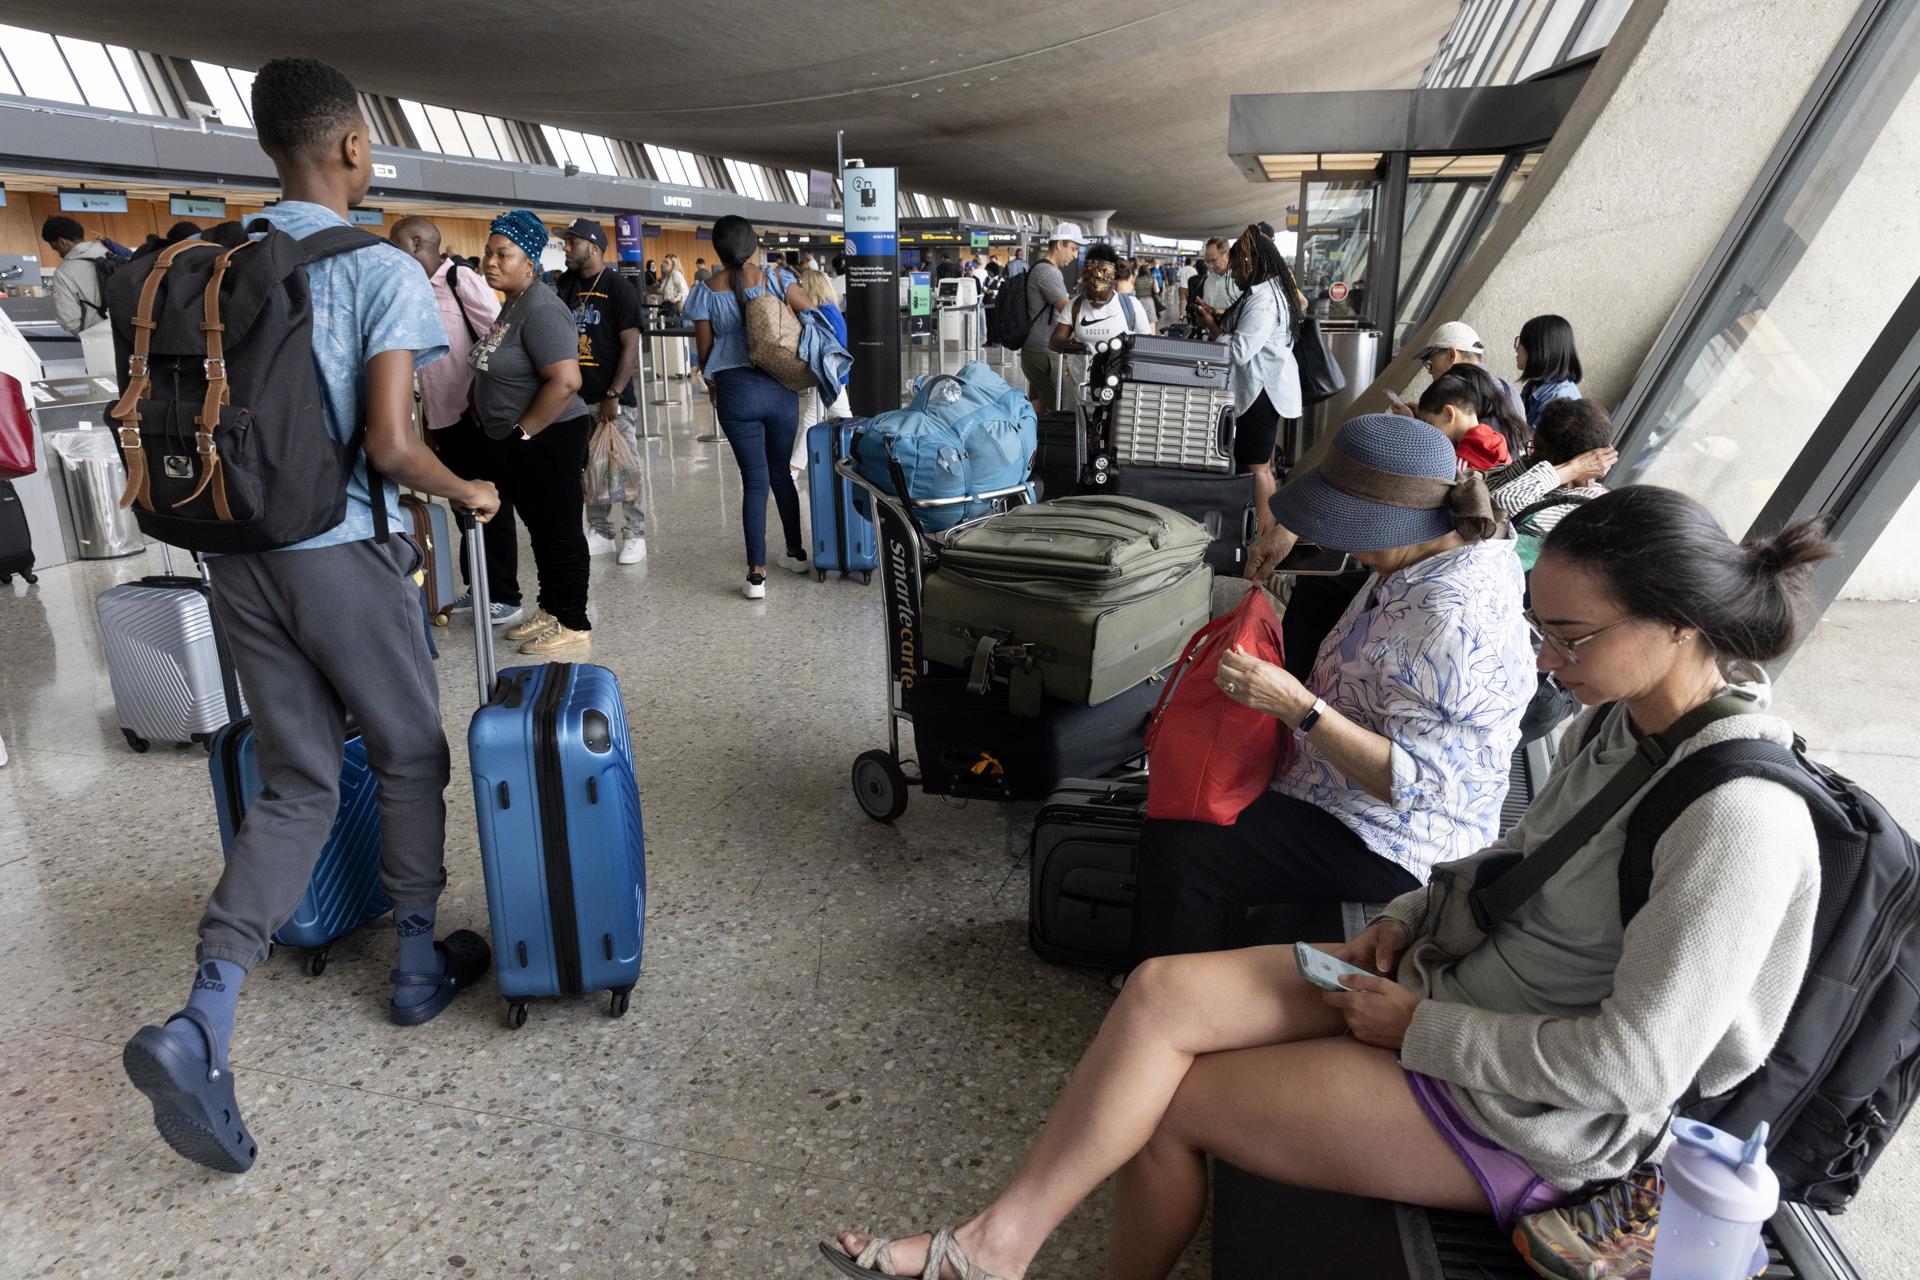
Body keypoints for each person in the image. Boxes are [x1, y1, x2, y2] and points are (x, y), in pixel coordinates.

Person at [821, 485, 1829, 1280]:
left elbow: (1630, 1072)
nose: (1546, 660)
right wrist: (1404, 917)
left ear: (1684, 624)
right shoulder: (1621, 717)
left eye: (1570, 638)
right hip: (1448, 979)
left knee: (1176, 1103)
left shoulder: (1741, 818)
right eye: (1542, 629)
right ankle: (993, 1245)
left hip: (1535, 1111)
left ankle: (1003, 1255)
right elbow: (1512, 858)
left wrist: (1415, 1030)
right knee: (1158, 989)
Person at [120, 56, 503, 1177]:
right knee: (407, 749)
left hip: (240, 555)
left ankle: (204, 1015)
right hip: (344, 555)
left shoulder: (219, 261)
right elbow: (389, 444)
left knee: (298, 778)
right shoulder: (377, 267)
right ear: (349, 148)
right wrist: (465, 488)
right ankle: (422, 963)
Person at [1131, 412, 1532, 961]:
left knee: (1182, 847)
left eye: (1350, 527)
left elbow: (1414, 786)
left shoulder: (1449, 620)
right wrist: (1290, 529)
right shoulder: (1452, 543)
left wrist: (1297, 707)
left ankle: (1173, 998)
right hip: (1339, 787)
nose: (1346, 544)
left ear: (1393, 525)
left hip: (1396, 837)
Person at [470, 208, 594, 654]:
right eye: (488, 253)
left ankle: (574, 620)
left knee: (559, 529)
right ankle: (551, 608)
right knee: (540, 529)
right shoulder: (515, 304)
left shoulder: (541, 308)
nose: (490, 262)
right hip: (523, 439)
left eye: (503, 254)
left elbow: (566, 381)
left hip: (549, 436)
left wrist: (523, 433)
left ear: (531, 261)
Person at [387, 214, 519, 625]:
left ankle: (505, 596)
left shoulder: (460, 280)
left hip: (473, 415)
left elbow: (499, 337)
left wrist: (477, 392)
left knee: (490, 503)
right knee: (463, 501)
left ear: (415, 243)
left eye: (395, 245)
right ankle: (478, 587)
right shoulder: (416, 289)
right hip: (441, 418)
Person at [684, 214, 818, 599]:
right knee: (781, 473)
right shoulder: (777, 279)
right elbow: (812, 314)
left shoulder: (706, 290)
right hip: (779, 387)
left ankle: (756, 574)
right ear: (754, 243)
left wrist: (712, 383)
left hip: (735, 391)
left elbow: (705, 349)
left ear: (718, 249)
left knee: (754, 479)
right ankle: (795, 552)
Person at [1192, 224, 1305, 535]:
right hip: (1266, 387)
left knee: (1256, 468)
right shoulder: (1270, 292)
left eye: (1240, 260)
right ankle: (1266, 528)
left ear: (1254, 261)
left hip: (1261, 389)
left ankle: (1264, 535)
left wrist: (1213, 345)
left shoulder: (1264, 298)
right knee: (1262, 465)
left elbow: (1241, 350)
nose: (1235, 267)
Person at [556, 218, 648, 567]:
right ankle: (600, 531)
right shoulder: (565, 286)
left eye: (572, 243)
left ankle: (636, 534)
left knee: (625, 467)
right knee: (590, 469)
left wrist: (614, 392)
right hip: (576, 400)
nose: (566, 248)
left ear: (593, 247)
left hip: (613, 399)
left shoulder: (617, 287)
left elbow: (630, 344)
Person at [1487, 397, 1617, 523]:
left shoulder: (1584, 507)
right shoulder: (1533, 474)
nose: (1530, 455)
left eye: (1538, 449)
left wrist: (1574, 468)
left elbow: (1500, 504)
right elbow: (1481, 484)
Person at [1050, 245, 1141, 400]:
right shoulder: (1075, 305)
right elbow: (1055, 341)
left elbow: (1146, 344)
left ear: (1113, 284)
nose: (1094, 302)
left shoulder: (1131, 306)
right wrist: (1073, 345)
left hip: (1119, 387)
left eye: (1101, 298)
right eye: (1090, 297)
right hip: (1081, 388)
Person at [791, 267, 853, 475]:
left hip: (829, 374)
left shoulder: (820, 314)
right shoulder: (831, 310)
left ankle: (794, 467)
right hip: (834, 373)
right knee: (822, 416)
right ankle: (795, 466)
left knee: (832, 418)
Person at [1019, 222, 1084, 413]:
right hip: (1044, 352)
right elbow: (1067, 311)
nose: (1075, 255)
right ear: (1058, 245)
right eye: (1072, 248)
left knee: (1038, 406)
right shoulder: (1049, 272)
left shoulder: (1039, 268)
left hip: (1035, 350)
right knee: (1060, 409)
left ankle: (1035, 442)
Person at [1415, 319, 1526, 422]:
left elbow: (1444, 442)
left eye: (1430, 363)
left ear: (1451, 356)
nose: (1430, 371)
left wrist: (1415, 424)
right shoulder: (1508, 389)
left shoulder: (1459, 396)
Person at [1411, 366, 1517, 471]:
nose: (1427, 431)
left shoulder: (1460, 464)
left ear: (1449, 413)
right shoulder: (1496, 440)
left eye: (1429, 423)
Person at [39, 215, 117, 337]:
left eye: (56, 249)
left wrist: (85, 337)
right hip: (132, 335)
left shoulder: (63, 272)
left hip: (101, 338)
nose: (59, 254)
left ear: (62, 242)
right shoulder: (110, 255)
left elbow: (68, 319)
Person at [1515, 313, 1584, 428]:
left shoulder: (1559, 401)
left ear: (1537, 349)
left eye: (1520, 342)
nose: (1516, 349)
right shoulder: (1536, 384)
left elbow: (1531, 443)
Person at [1192, 235, 1242, 332]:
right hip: (1209, 338)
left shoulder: (1241, 280)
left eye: (1214, 260)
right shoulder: (1208, 280)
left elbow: (1247, 314)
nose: (1210, 266)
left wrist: (1221, 312)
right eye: (1207, 261)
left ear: (1227, 255)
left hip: (1232, 341)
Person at [656, 252, 690, 324]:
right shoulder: (667, 277)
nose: (663, 264)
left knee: (677, 334)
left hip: (677, 311)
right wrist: (656, 296)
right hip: (668, 308)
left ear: (673, 265)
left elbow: (685, 291)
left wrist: (676, 298)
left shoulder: (676, 274)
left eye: (666, 262)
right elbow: (667, 293)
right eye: (664, 262)